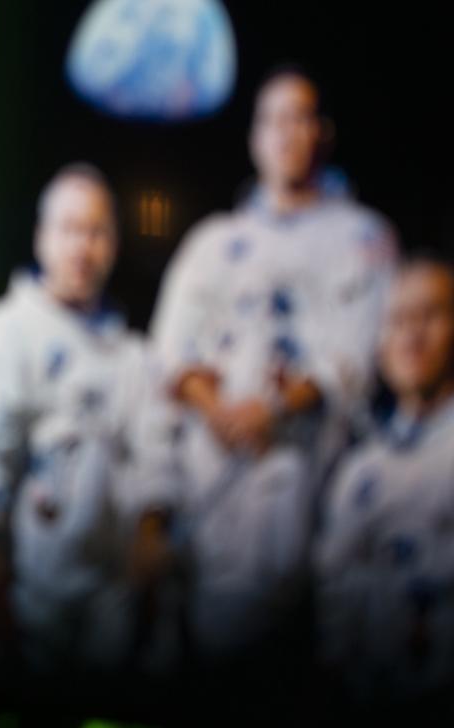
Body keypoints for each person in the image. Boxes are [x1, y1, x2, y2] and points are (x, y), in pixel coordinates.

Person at [146, 67, 398, 661]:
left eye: (298, 118)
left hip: (309, 493)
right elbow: (170, 350)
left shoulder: (364, 238)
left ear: (322, 133)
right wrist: (217, 408)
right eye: (271, 120)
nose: (284, 133)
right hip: (208, 497)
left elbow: (365, 353)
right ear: (255, 138)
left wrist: (279, 406)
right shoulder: (212, 242)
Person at [0, 163, 169, 672]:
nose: (82, 248)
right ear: (42, 237)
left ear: (113, 244)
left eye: (96, 232)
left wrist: (150, 547)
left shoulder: (136, 357)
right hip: (19, 601)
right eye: (69, 230)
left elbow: (155, 461)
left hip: (111, 608)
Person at [316, 256, 454, 702]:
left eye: (430, 315)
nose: (412, 335)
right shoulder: (359, 468)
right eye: (398, 320)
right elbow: (331, 595)